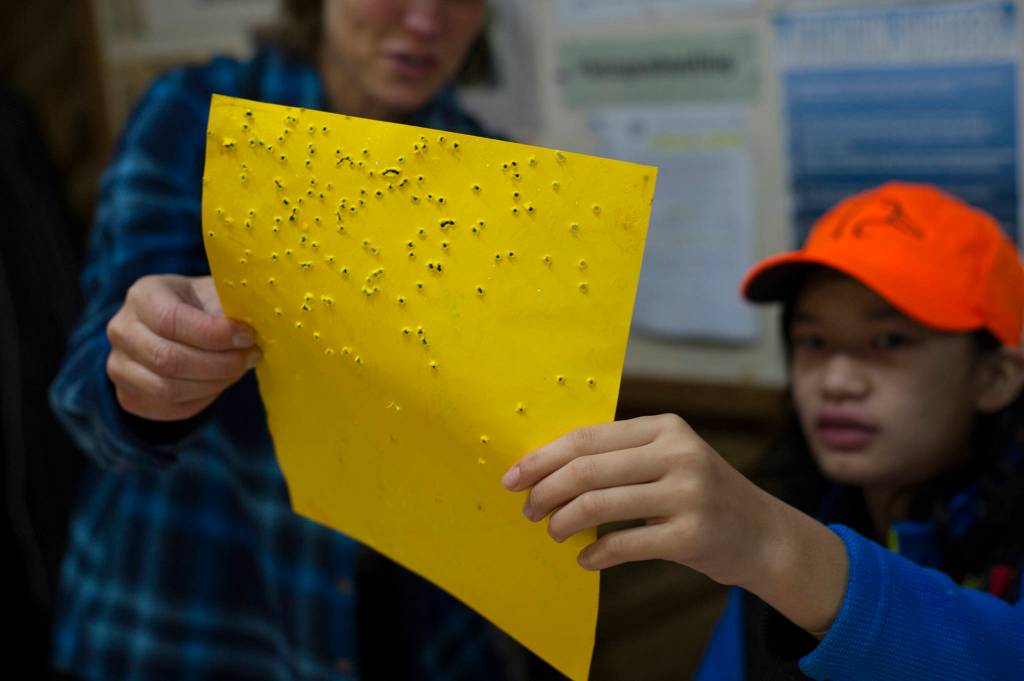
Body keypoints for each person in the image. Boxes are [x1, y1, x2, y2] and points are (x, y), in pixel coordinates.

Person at [48, 1, 523, 679]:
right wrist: (147, 367)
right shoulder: (196, 115)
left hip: (406, 618)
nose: (426, 21)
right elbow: (89, 375)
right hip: (189, 613)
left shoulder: (493, 174)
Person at [502, 181, 1024, 679]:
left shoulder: (767, 533)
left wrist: (775, 546)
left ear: (995, 377)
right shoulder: (797, 506)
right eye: (813, 342)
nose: (837, 382)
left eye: (888, 341)